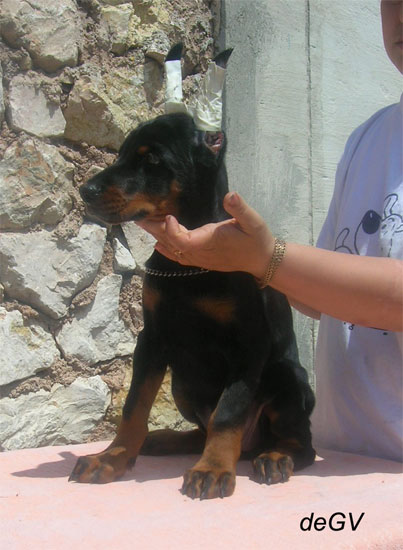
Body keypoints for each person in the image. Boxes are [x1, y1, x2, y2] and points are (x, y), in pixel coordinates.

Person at [138, 0, 403, 462]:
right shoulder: (369, 137)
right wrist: (234, 256)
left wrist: (265, 257)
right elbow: (318, 300)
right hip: (342, 456)